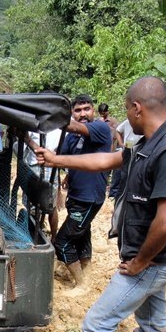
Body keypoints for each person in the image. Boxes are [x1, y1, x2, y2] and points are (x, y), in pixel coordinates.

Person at [36, 77, 166, 332]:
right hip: (151, 255)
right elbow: (107, 160)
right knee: (151, 312)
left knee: (98, 321)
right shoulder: (149, 144)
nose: (126, 117)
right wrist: (57, 159)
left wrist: (140, 261)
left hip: (155, 257)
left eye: (127, 110)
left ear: (136, 109)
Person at [52, 95, 112, 288]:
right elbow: (58, 156)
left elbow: (75, 127)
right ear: (72, 113)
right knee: (83, 233)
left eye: (86, 108)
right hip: (76, 196)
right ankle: (86, 270)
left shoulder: (100, 128)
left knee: (62, 242)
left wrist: (49, 115)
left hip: (89, 198)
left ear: (93, 110)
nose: (83, 113)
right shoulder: (72, 138)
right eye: (77, 110)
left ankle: (81, 284)